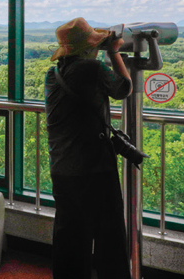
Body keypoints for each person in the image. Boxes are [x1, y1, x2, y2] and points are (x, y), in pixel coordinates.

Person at [44, 17, 132, 279]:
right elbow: (123, 88)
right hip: (94, 168)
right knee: (109, 237)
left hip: (62, 167)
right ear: (89, 48)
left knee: (70, 238)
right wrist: (113, 51)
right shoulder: (92, 69)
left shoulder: (53, 74)